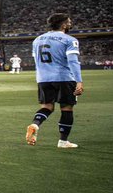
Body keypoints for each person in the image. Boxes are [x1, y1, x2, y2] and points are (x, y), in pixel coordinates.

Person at [26, 13, 83, 148]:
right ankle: (63, 141)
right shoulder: (69, 40)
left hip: (43, 79)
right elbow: (73, 62)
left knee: (46, 107)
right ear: (63, 24)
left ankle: (35, 124)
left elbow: (37, 61)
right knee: (67, 108)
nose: (70, 24)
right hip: (64, 78)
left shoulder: (37, 40)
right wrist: (79, 81)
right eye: (68, 22)